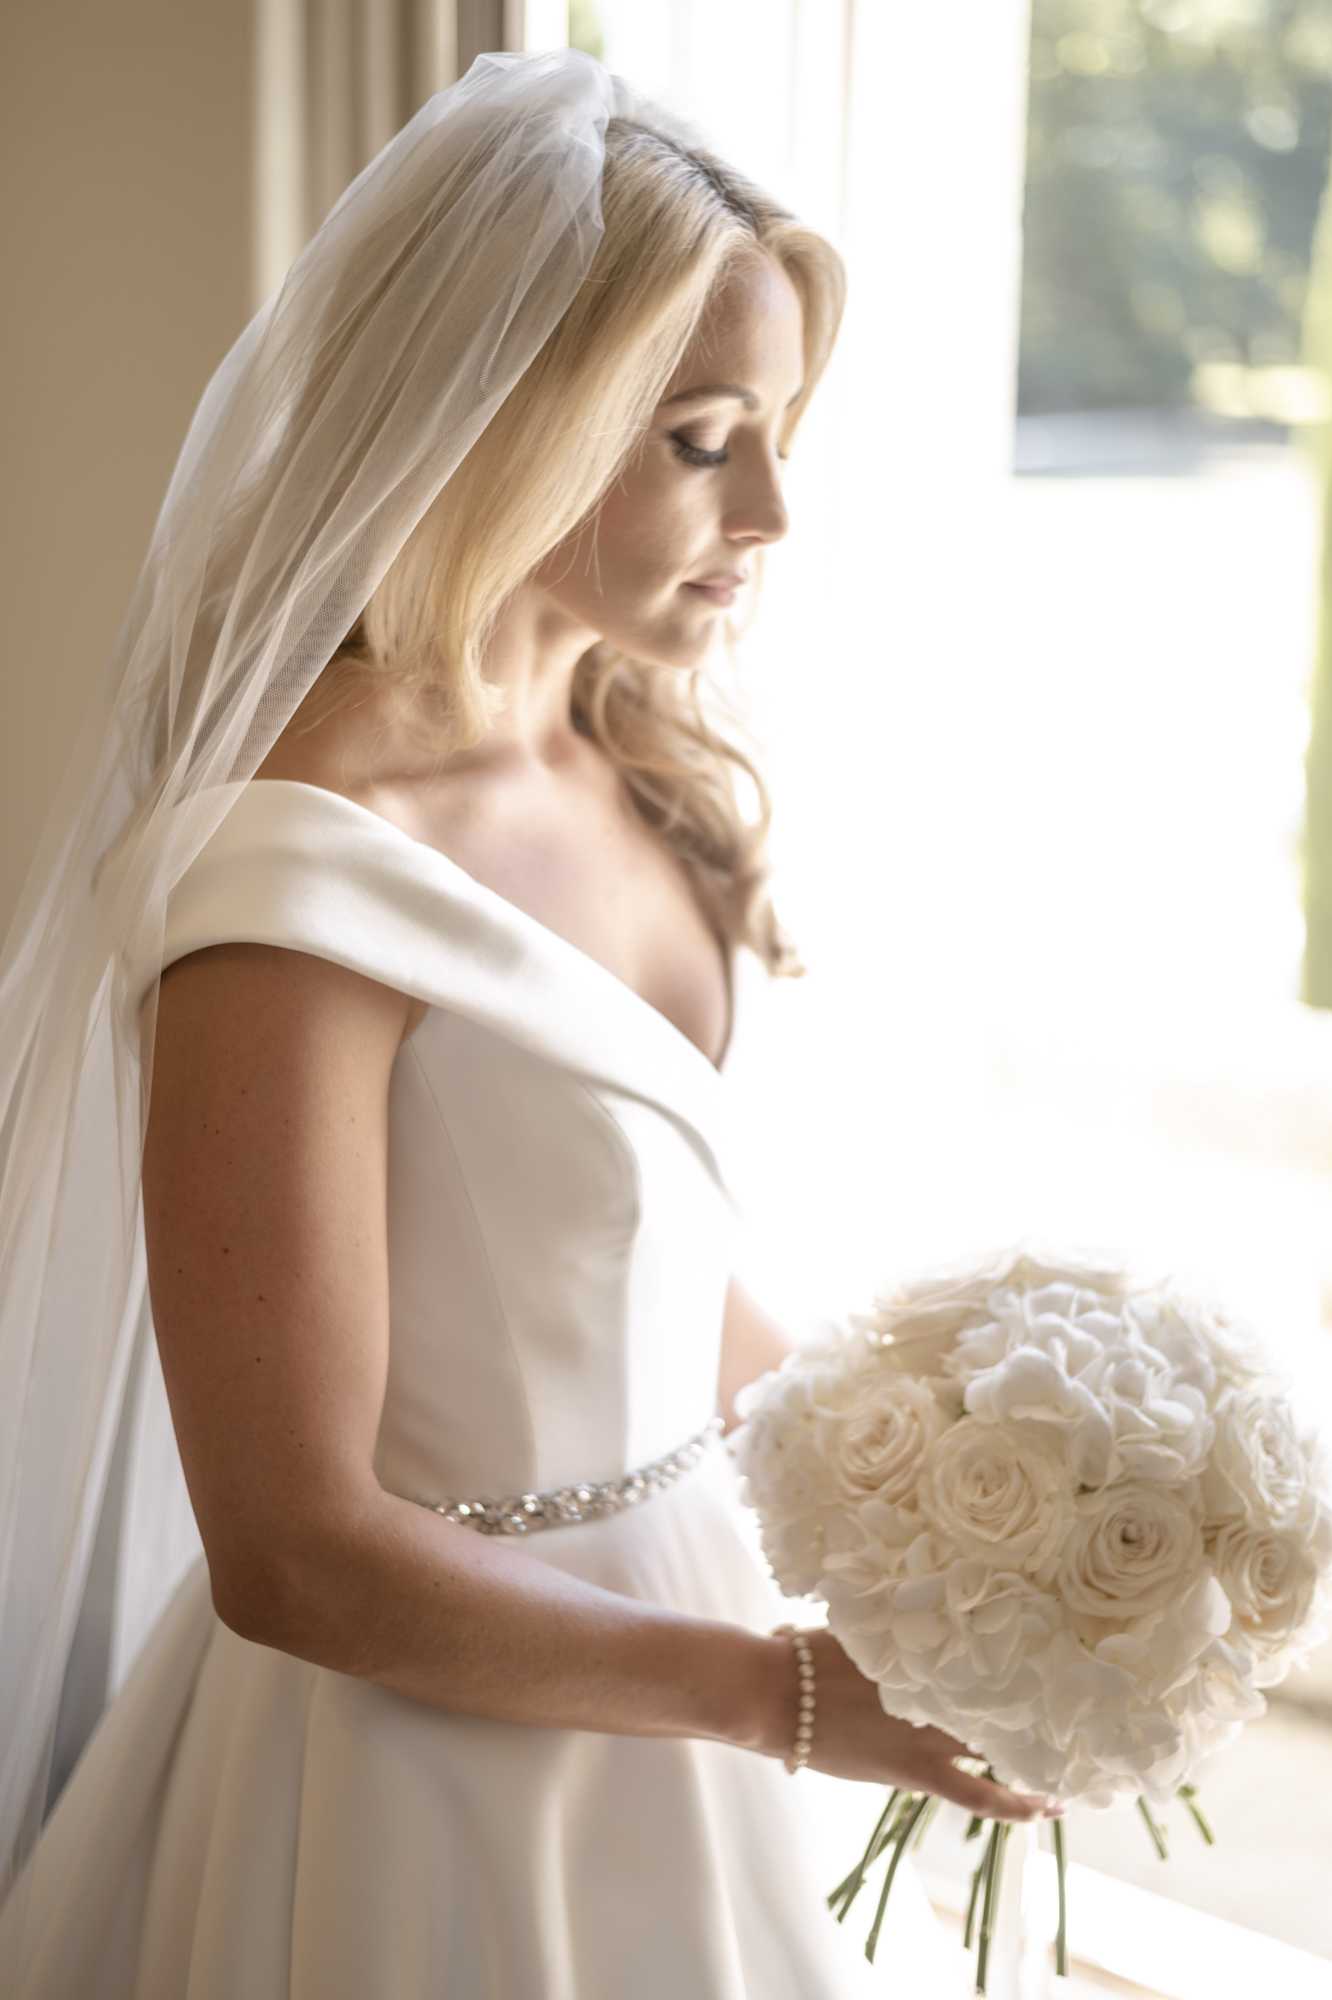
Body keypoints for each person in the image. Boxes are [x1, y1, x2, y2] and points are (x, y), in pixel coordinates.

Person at [0, 47, 1059, 1997]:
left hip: (684, 1670)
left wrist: (959, 1516)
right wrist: (783, 1698)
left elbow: (629, 1267)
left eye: (776, 428)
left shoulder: (625, 747)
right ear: (512, 412)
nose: (772, 506)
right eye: (701, 434)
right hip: (418, 1753)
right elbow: (295, 1549)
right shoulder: (289, 879)